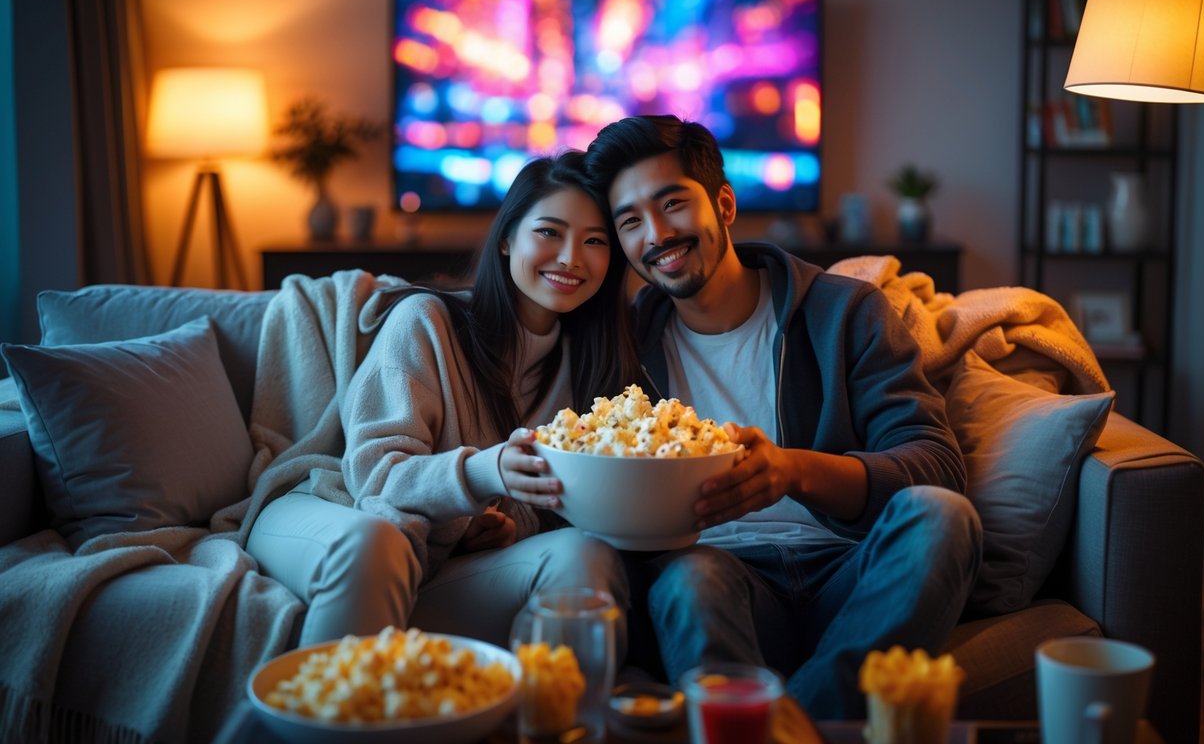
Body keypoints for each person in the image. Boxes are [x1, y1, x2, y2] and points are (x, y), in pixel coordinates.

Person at [570, 115, 982, 719]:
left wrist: (791, 472)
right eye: (630, 221)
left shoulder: (845, 313)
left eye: (673, 204)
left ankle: (780, 726)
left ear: (725, 205)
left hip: (850, 570)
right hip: (718, 575)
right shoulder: (625, 344)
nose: (656, 234)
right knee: (688, 580)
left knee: (945, 517)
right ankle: (806, 723)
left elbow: (937, 466)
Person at [247, 151, 641, 649]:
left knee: (585, 554)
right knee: (377, 544)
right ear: (505, 238)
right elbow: (375, 474)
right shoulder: (427, 321)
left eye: (595, 241)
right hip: (338, 508)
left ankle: (555, 716)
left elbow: (560, 512)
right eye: (549, 232)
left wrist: (485, 530)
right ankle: (324, 718)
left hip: (437, 560)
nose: (571, 257)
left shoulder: (595, 370)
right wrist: (484, 472)